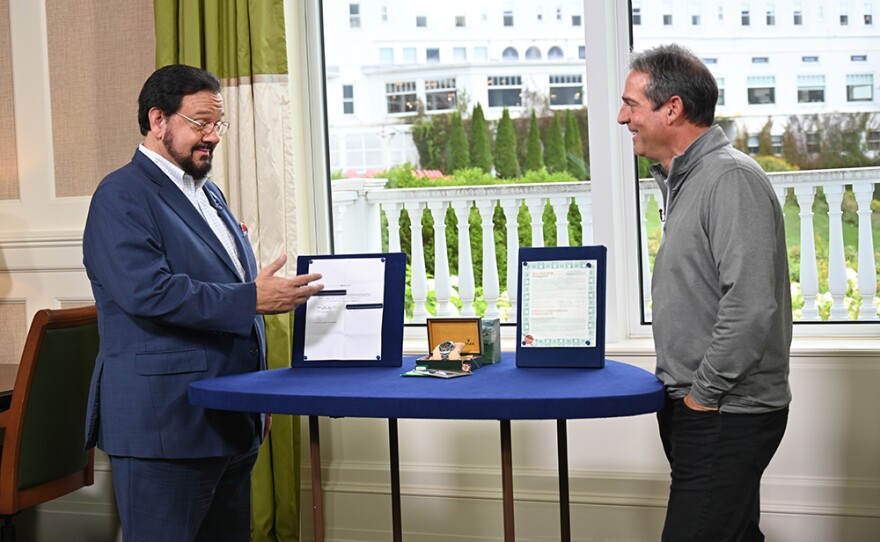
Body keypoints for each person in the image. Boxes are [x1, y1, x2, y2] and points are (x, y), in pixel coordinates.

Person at [82, 64, 324, 542]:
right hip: (166, 428)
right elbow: (151, 293)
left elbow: (220, 284)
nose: (212, 136)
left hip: (229, 419)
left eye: (218, 124)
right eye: (199, 122)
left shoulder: (208, 192)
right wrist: (252, 297)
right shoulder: (120, 195)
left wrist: (254, 396)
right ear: (158, 120)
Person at [617, 44, 792, 541]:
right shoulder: (685, 181)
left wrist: (701, 398)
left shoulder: (730, 179)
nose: (621, 116)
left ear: (672, 108)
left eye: (631, 104)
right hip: (701, 406)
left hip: (726, 410)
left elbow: (751, 303)